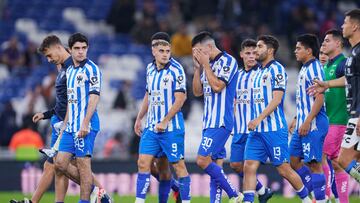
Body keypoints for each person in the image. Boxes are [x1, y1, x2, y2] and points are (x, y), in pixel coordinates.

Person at [10, 35, 110, 203]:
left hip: (76, 123)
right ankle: (99, 195)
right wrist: (48, 115)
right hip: (65, 123)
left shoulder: (77, 66)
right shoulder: (66, 69)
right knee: (58, 166)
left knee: (75, 165)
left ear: (59, 48)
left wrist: (79, 123)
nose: (49, 60)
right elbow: (66, 101)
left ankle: (100, 195)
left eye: (49, 55)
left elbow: (87, 98)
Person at [243, 35, 312, 203]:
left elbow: (277, 99)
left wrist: (258, 119)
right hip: (257, 132)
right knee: (248, 166)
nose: (256, 50)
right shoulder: (258, 72)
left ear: (270, 50)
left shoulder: (277, 69)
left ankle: (308, 200)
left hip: (274, 130)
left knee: (284, 170)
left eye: (259, 47)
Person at [134, 32, 191, 203]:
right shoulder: (150, 69)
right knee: (143, 163)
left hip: (171, 128)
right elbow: (148, 95)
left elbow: (181, 98)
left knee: (177, 167)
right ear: (154, 51)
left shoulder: (176, 69)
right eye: (162, 51)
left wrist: (165, 121)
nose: (166, 54)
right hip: (151, 127)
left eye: (168, 51)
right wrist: (139, 118)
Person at [53, 33, 106, 203]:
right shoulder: (70, 71)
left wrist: (85, 123)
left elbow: (94, 98)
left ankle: (86, 200)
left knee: (83, 166)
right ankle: (98, 192)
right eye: (77, 48)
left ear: (87, 49)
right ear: (70, 50)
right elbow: (71, 101)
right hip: (71, 127)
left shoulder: (92, 69)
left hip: (85, 125)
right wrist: (64, 126)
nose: (81, 51)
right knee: (60, 163)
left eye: (84, 48)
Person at [308, 9, 360, 183]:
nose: (342, 26)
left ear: (355, 26)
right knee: (354, 160)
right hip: (354, 115)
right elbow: (349, 79)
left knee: (344, 160)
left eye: (345, 23)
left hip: (356, 116)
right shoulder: (354, 53)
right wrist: (327, 84)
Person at [192, 31, 243, 203]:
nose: (197, 55)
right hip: (208, 122)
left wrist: (205, 65)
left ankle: (235, 194)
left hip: (220, 121)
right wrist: (198, 68)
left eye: (198, 51)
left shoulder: (228, 61)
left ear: (208, 47)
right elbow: (197, 92)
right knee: (216, 167)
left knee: (201, 160)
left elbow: (217, 86)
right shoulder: (207, 64)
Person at [230, 39, 273, 203]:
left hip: (253, 129)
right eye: (247, 53)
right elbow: (233, 101)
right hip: (238, 128)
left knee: (249, 166)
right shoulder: (237, 76)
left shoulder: (261, 74)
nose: (251, 56)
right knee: (235, 164)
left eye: (254, 53)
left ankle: (249, 198)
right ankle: (262, 190)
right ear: (241, 55)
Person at [289, 34, 328, 202]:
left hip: (313, 123)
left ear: (309, 50)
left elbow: (319, 98)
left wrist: (307, 120)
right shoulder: (305, 68)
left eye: (298, 48)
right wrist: (298, 117)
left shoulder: (315, 69)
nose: (295, 51)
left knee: (314, 164)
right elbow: (306, 98)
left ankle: (320, 199)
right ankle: (317, 194)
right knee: (293, 160)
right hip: (304, 121)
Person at [321, 29, 349, 203]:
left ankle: (325, 197)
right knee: (338, 164)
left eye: (327, 40)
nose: (323, 43)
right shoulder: (327, 66)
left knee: (320, 157)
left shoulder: (343, 63)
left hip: (339, 121)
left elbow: (351, 80)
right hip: (328, 121)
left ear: (338, 43)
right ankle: (341, 200)